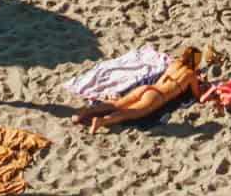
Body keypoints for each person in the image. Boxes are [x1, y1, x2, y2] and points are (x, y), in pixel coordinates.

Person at [71, 46, 204, 134]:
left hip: (147, 87)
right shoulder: (190, 75)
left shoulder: (176, 63)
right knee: (129, 113)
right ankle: (101, 121)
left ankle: (85, 111)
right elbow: (197, 95)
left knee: (118, 104)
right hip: (158, 96)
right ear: (196, 62)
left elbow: (180, 66)